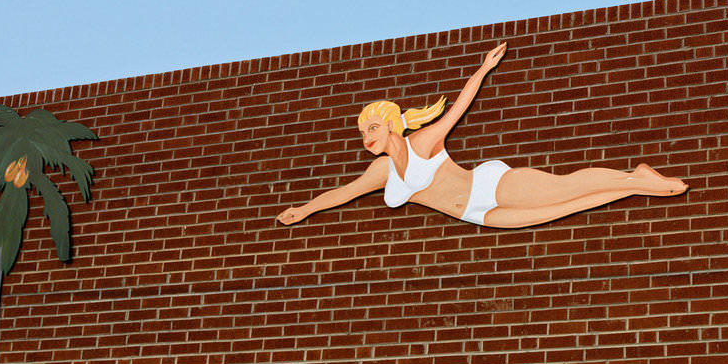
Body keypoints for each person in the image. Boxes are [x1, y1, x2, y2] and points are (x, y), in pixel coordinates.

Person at [277, 42, 687, 229]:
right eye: (362, 131)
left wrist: (483, 69)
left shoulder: (423, 143)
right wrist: (304, 210)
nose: (366, 136)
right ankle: (636, 182)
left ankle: (638, 177)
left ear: (390, 125)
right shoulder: (380, 172)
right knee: (567, 208)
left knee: (563, 188)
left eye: (371, 127)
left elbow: (457, 108)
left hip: (489, 187)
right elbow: (341, 194)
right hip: (478, 214)